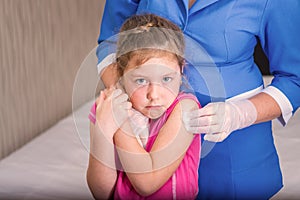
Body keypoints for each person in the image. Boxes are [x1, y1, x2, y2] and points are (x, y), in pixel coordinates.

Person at [95, 0, 300, 199]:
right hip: (146, 140)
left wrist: (241, 114)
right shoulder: (130, 116)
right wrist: (126, 110)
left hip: (232, 152)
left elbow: (295, 79)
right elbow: (110, 44)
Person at [87, 13, 202, 199]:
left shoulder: (185, 109)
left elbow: (147, 183)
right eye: (141, 80)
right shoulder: (105, 108)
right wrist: (103, 131)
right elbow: (100, 192)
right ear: (120, 73)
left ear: (181, 70)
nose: (154, 95)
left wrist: (121, 122)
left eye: (166, 79)